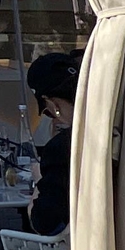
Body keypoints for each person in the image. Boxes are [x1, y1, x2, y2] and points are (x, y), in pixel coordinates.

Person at [24, 47, 81, 236]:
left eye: (47, 112)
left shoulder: (63, 148)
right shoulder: (123, 127)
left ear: (53, 104)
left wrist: (40, 180)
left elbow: (46, 223)